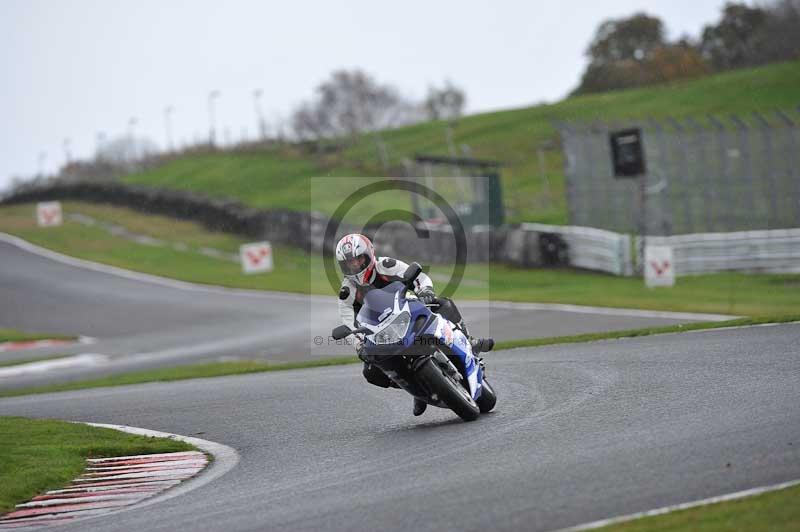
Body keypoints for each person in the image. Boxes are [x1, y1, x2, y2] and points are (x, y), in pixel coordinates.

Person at [335, 233, 493, 416]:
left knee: (442, 304)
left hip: (407, 313)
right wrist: (359, 346)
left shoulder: (386, 265)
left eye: (358, 259)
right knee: (371, 372)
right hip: (380, 333)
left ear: (368, 255)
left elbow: (419, 277)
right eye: (348, 263)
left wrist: (425, 291)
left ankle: (468, 340)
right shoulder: (347, 292)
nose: (354, 265)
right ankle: (418, 388)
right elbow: (348, 326)